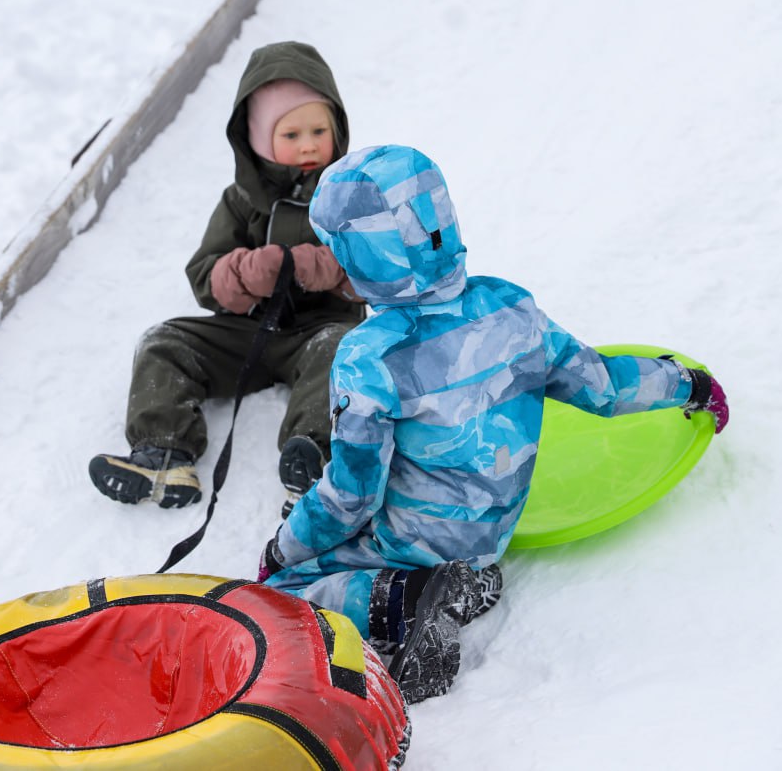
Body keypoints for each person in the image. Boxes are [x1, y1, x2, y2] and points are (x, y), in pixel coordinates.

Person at [256, 144, 730, 704]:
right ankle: (456, 582)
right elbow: (602, 385)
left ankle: (408, 598)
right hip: (490, 530)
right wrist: (687, 384)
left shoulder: (371, 358)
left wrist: (283, 549)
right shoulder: (511, 308)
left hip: (416, 541)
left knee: (285, 593)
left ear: (363, 257)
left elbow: (353, 496)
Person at [90, 41, 366, 515]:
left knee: (343, 352)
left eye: (319, 130)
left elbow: (382, 270)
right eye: (291, 133)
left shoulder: (352, 192)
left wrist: (325, 267)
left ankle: (313, 461)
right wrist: (242, 272)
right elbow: (204, 275)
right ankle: (163, 451)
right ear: (259, 139)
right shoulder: (241, 200)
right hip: (252, 332)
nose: (307, 145)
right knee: (164, 341)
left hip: (323, 330)